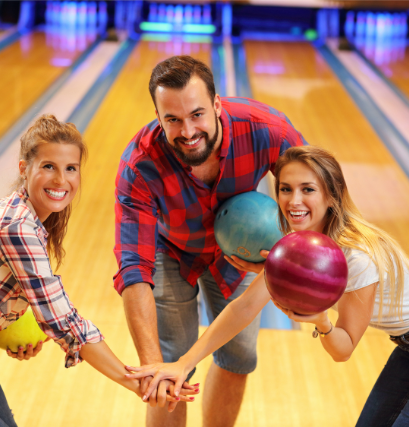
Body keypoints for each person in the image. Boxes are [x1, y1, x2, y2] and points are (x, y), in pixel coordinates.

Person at [127, 145, 409, 426]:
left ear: (331, 196)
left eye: (308, 189)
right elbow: (242, 308)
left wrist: (321, 319)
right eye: (285, 189)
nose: (294, 200)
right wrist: (183, 363)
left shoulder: (356, 256)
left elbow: (343, 350)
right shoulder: (295, 245)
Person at [0, 115, 195, 427]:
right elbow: (63, 321)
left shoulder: (32, 220)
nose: (61, 180)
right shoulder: (16, 227)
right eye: (49, 167)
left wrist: (6, 329)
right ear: (25, 169)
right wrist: (136, 381)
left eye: (71, 168)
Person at [114, 55, 306, 427]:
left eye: (197, 115)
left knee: (239, 356)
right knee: (169, 365)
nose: (187, 131)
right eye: (172, 119)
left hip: (240, 249)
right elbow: (133, 267)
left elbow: (315, 199)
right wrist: (153, 367)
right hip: (169, 250)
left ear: (217, 105)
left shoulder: (266, 130)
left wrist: (284, 258)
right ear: (157, 116)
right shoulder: (139, 165)